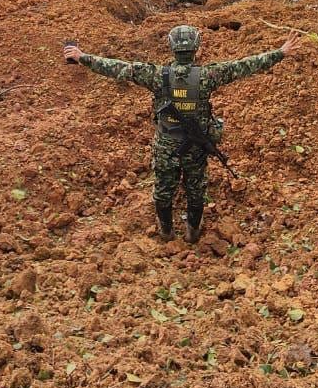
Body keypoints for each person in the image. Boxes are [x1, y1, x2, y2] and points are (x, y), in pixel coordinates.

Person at [64, 26, 301, 243]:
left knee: (163, 188)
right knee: (196, 189)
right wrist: (280, 52)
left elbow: (117, 68)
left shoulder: (156, 74)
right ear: (196, 47)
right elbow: (245, 66)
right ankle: (193, 231)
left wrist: (82, 57)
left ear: (171, 47)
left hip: (166, 145)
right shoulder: (209, 75)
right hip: (195, 147)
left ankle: (166, 231)